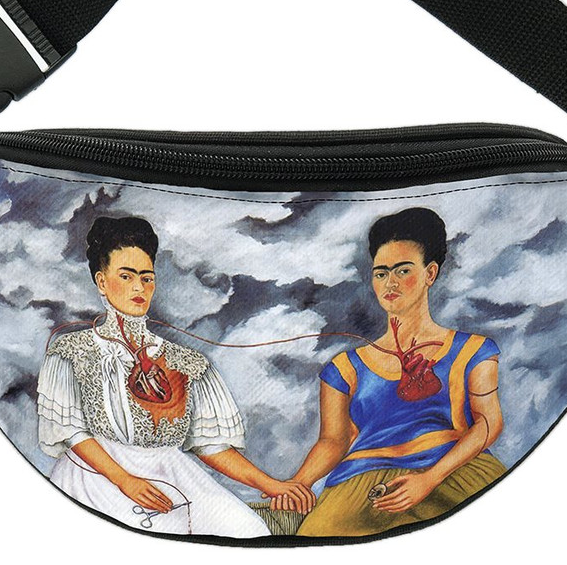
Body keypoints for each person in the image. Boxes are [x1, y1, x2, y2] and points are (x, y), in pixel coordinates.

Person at [36, 216, 313, 536]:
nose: (139, 288)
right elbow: (72, 432)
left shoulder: (187, 362)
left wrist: (271, 485)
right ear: (101, 281)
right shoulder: (71, 350)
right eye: (126, 276)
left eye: (147, 278)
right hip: (94, 476)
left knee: (247, 531)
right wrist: (124, 480)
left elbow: (209, 445)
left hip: (172, 472)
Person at [291, 207, 507, 537]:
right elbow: (333, 442)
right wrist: (296, 484)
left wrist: (429, 479)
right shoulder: (344, 368)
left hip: (454, 472)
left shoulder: (474, 350)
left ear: (430, 273)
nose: (390, 283)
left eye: (402, 270)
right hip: (359, 488)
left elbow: (489, 423)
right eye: (380, 274)